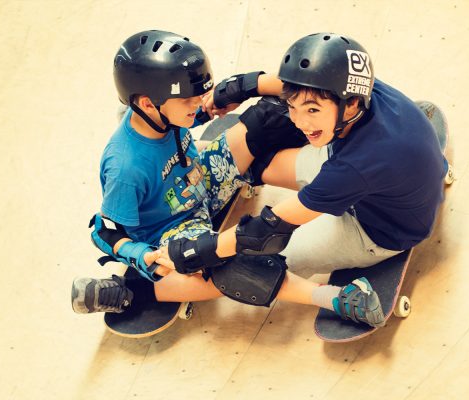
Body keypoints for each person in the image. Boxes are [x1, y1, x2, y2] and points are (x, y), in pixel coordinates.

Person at [71, 30, 386, 328]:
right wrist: (141, 255)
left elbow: (223, 108)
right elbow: (105, 230)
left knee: (271, 114)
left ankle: (356, 138)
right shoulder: (125, 166)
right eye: (189, 101)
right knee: (232, 265)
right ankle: (335, 300)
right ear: (146, 103)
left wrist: (233, 95)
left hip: (203, 179)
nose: (198, 103)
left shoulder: (161, 112)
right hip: (173, 229)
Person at [183, 31, 448, 280]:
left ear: (351, 103)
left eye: (312, 111)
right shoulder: (358, 91)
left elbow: (268, 226)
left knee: (253, 267)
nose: (299, 122)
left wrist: (202, 248)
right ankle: (236, 162)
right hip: (371, 175)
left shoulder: (354, 166)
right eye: (294, 108)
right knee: (263, 148)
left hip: (376, 232)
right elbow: (297, 85)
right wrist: (241, 87)